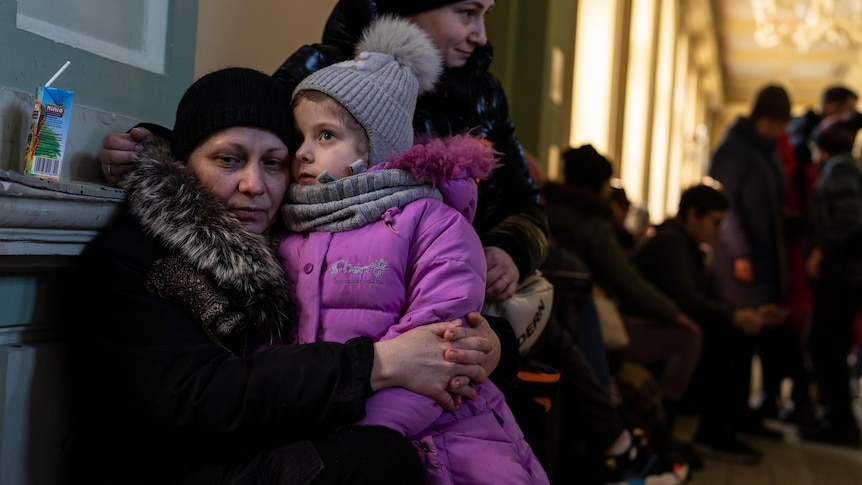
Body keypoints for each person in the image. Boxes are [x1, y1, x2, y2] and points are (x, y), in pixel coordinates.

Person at [70, 66, 503, 484]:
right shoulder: (129, 257)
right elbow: (200, 395)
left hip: (256, 451)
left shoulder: (287, 239)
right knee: (377, 458)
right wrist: (377, 364)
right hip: (176, 470)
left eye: (274, 162)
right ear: (184, 162)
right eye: (227, 159)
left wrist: (485, 345)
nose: (254, 184)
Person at [96, 0, 547, 397]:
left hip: (459, 299)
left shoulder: (482, 96)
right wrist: (164, 150)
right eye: (467, 12)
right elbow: (250, 132)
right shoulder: (318, 71)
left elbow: (522, 202)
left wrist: (510, 249)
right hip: (343, 383)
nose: (480, 34)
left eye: (485, 16)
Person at [274, 17, 547, 483]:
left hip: (444, 439)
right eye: (299, 136)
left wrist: (358, 435)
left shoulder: (432, 225)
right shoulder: (292, 230)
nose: (301, 151)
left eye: (325, 136)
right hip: (324, 438)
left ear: (373, 147)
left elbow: (442, 351)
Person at [630, 182, 788, 464]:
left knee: (738, 327)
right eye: (716, 222)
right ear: (693, 214)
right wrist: (734, 315)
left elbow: (709, 297)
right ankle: (714, 430)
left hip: (670, 321)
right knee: (725, 331)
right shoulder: (670, 241)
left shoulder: (691, 246)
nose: (719, 230)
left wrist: (749, 310)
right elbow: (685, 298)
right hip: (650, 325)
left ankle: (730, 421)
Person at [708, 84, 810, 437]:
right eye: (774, 123)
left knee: (754, 338)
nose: (779, 131)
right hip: (742, 262)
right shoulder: (736, 150)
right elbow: (725, 206)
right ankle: (731, 417)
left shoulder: (765, 152)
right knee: (738, 341)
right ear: (759, 118)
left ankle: (744, 414)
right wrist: (739, 252)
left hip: (764, 261)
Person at [799, 112, 862, 447]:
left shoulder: (840, 167)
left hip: (841, 276)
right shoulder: (843, 167)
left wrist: (821, 250)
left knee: (826, 345)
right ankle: (836, 417)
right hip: (842, 275)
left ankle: (839, 420)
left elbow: (850, 218)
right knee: (826, 345)